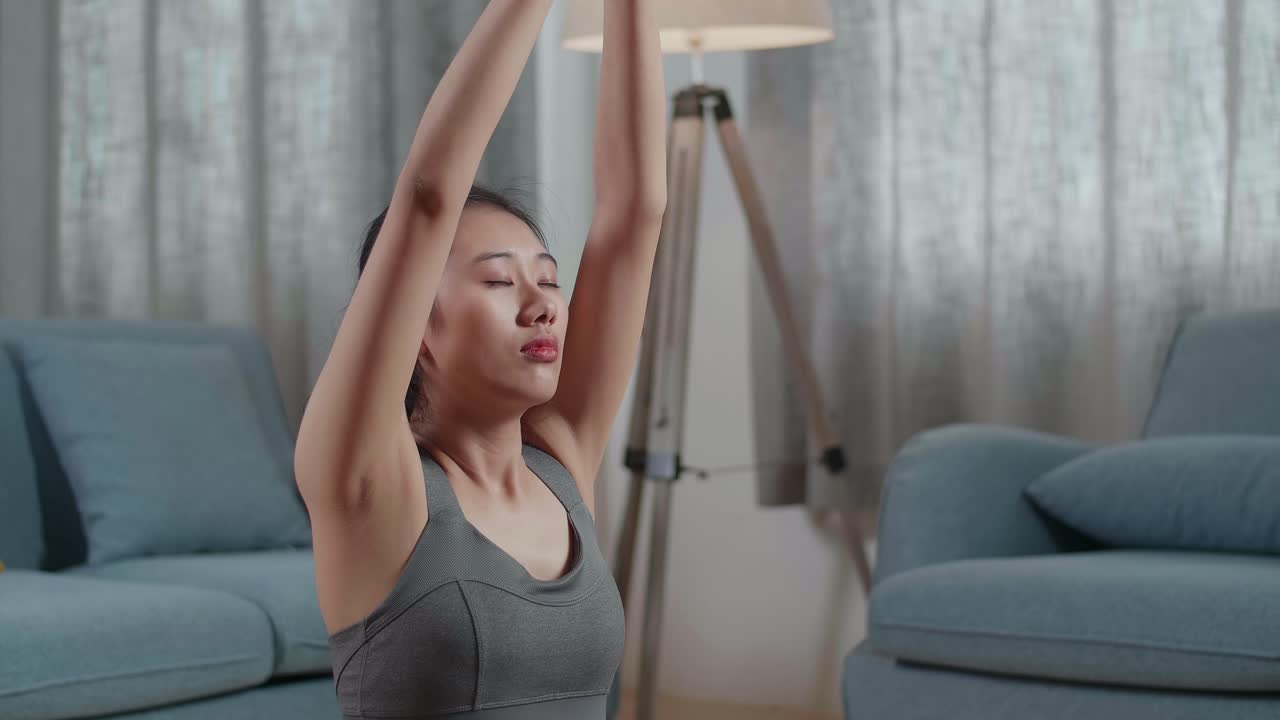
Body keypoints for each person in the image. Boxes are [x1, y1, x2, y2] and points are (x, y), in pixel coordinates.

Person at [294, 0, 666, 717]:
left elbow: (635, 212)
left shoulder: (561, 463)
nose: (544, 304)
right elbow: (428, 197)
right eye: (499, 281)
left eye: (549, 280)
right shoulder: (367, 484)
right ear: (416, 329)